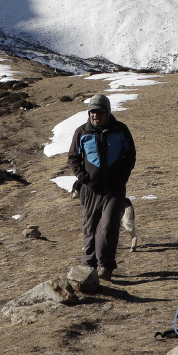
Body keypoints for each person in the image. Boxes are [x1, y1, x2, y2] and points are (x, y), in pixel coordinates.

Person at [67, 94, 136, 282]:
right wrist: (84, 178)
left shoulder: (120, 130)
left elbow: (130, 157)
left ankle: (105, 266)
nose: (95, 115)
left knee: (108, 227)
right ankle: (89, 266)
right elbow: (73, 158)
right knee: (90, 227)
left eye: (99, 112)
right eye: (92, 112)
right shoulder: (81, 132)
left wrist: (122, 178)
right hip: (90, 190)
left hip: (115, 189)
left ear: (107, 112)